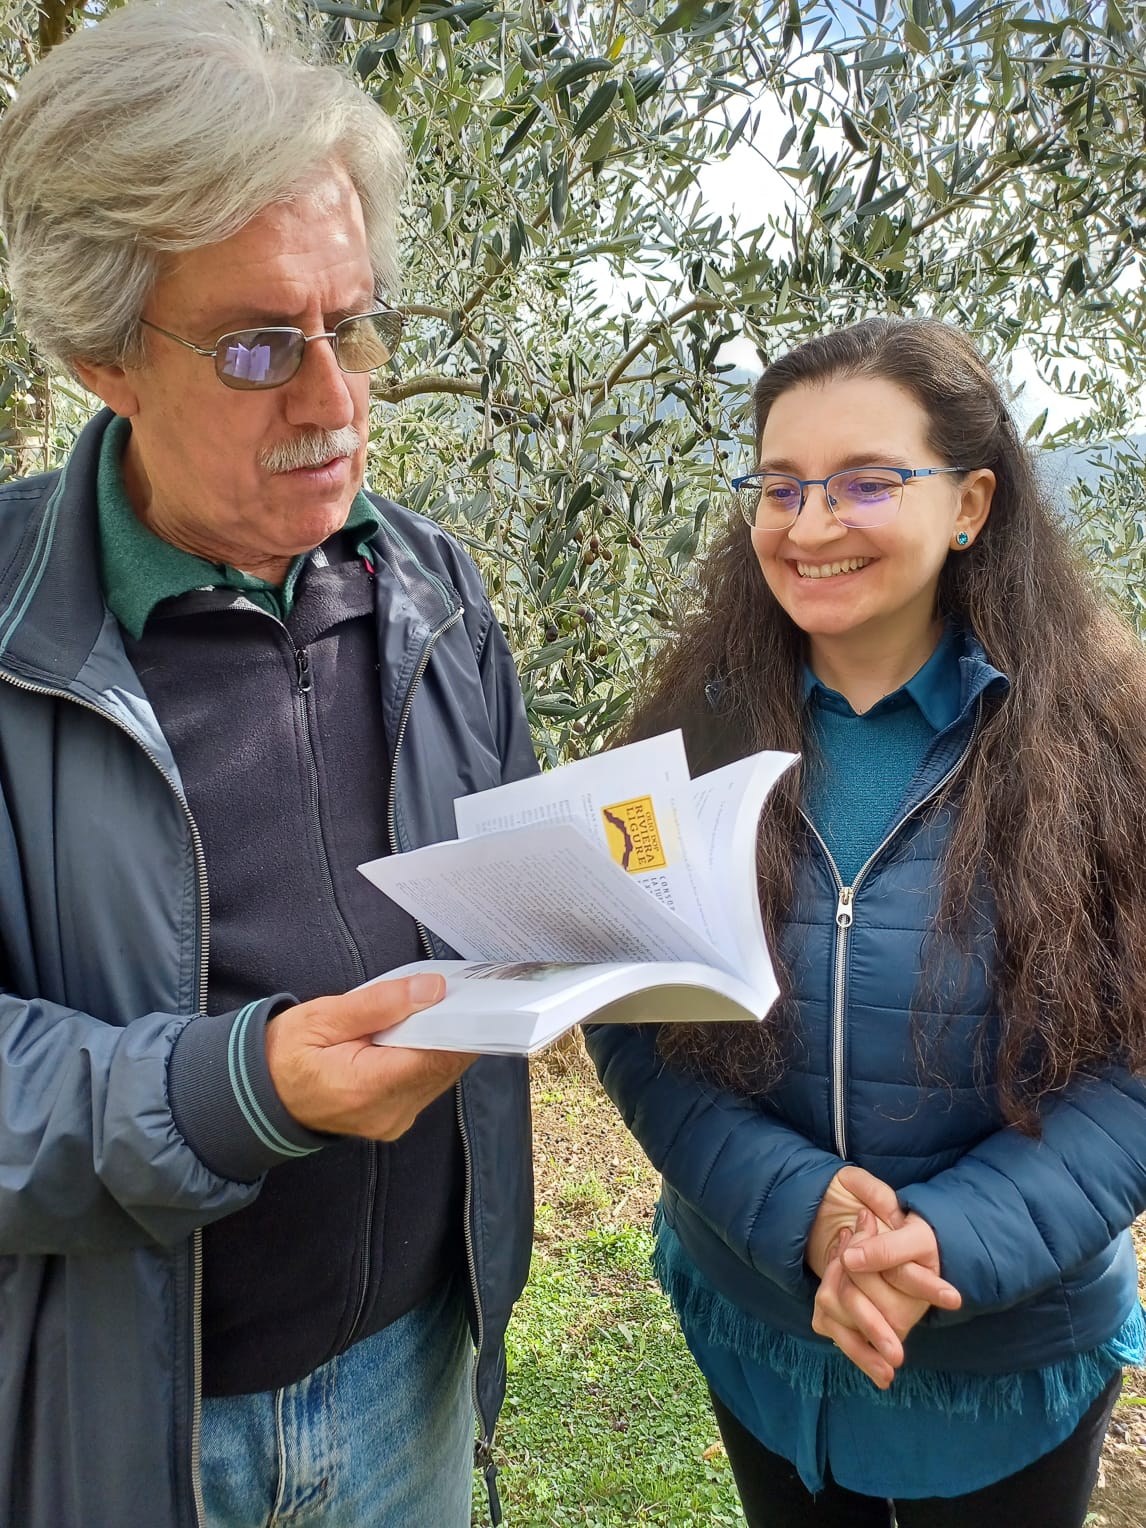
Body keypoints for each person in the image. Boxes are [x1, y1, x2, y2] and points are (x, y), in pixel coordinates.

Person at [0, 4, 536, 1525]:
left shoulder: (434, 587)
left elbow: (509, 878)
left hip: (413, 1386)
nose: (333, 400)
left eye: (352, 323)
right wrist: (241, 1087)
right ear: (103, 351)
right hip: (118, 1425)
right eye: (256, 346)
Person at [585, 317, 1146, 1527]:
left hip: (1003, 1357)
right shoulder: (690, 735)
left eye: (866, 483)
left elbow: (1136, 1068)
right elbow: (633, 1023)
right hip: (763, 1325)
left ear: (971, 503)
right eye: (779, 487)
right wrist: (806, 1210)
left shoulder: (1107, 740)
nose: (809, 523)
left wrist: (939, 1240)